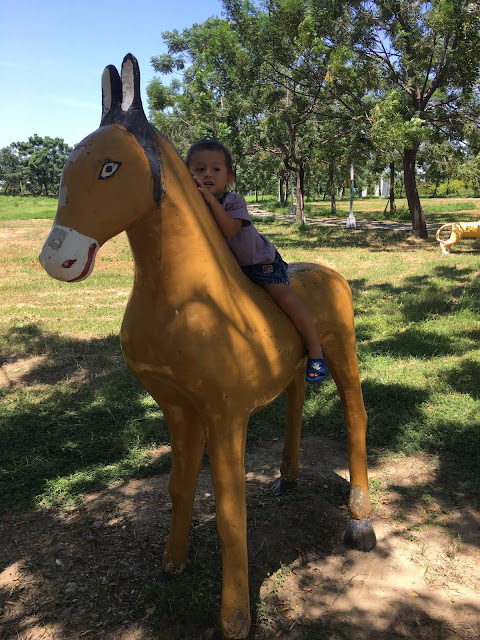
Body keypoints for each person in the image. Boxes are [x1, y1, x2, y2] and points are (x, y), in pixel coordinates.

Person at [186, 139, 327, 381]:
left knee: (285, 299)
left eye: (216, 169)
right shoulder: (191, 205)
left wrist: (209, 200)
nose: (208, 175)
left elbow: (230, 229)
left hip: (260, 263)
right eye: (199, 169)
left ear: (229, 177)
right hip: (228, 270)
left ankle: (315, 348)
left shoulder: (234, 201)